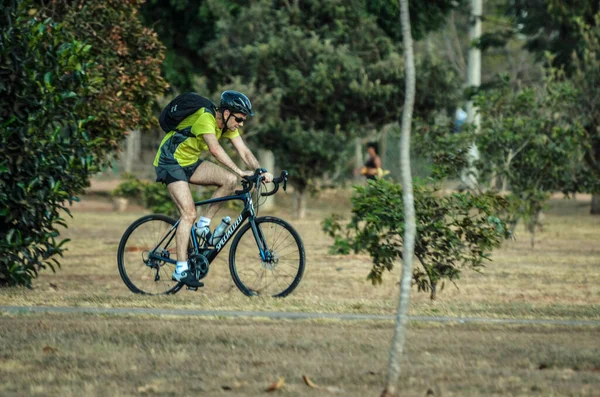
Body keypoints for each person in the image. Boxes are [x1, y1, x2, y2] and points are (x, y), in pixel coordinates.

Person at [153, 90, 272, 288]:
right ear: (226, 114)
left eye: (243, 120)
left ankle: (203, 225)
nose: (241, 123)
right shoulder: (205, 118)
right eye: (239, 118)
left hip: (189, 162)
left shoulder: (228, 126)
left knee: (229, 180)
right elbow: (215, 150)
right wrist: (241, 171)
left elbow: (244, 151)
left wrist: (259, 170)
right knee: (188, 213)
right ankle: (181, 269)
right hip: (170, 161)